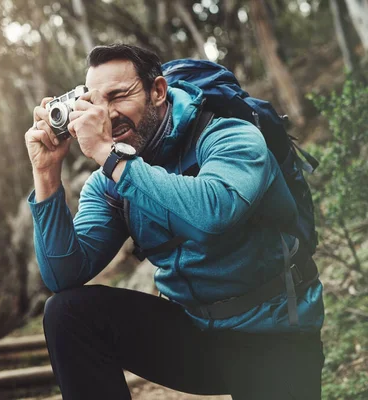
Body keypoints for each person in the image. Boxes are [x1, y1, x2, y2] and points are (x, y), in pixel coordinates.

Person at [23, 44, 324, 399]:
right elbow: (63, 275)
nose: (107, 113)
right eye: (95, 101)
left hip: (273, 335)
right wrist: (46, 174)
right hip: (195, 335)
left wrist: (108, 154)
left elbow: (214, 213)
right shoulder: (110, 181)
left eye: (119, 96)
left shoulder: (230, 136)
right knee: (67, 313)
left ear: (158, 91)